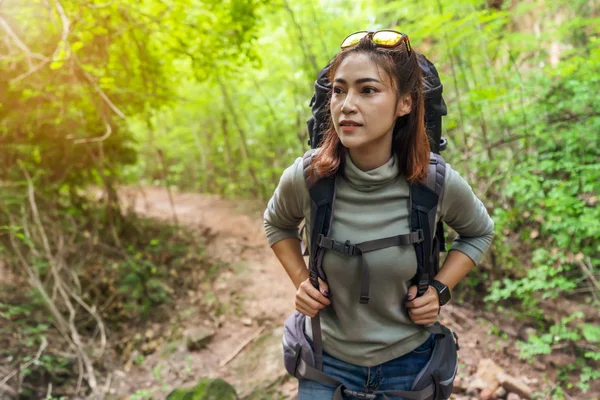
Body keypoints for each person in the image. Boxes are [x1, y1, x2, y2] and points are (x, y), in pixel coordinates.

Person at [263, 30, 494, 400]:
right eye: (339, 90)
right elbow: (276, 223)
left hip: (410, 366)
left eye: (367, 90)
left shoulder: (433, 182)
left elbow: (479, 232)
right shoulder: (309, 177)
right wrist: (301, 280)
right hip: (325, 362)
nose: (346, 105)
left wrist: (439, 290)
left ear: (404, 103)